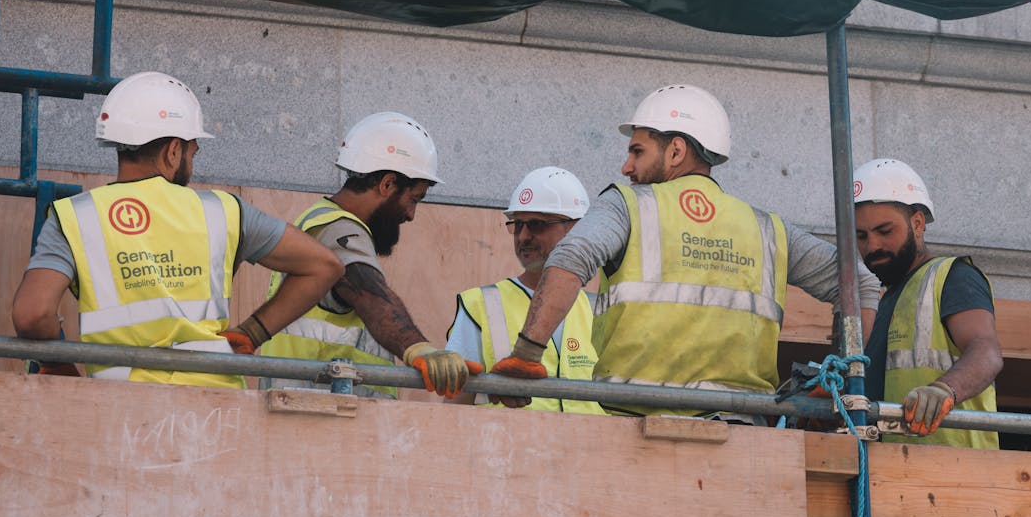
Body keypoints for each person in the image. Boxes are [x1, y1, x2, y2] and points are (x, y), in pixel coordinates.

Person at [489, 84, 880, 420]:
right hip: (744, 436)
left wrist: (527, 353)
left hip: (634, 425)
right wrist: (844, 376)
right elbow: (860, 284)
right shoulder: (768, 229)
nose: (626, 166)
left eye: (637, 151)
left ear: (675, 151)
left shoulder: (628, 205)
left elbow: (570, 259)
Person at [11, 71, 343, 388]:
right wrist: (253, 332)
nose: (191, 162)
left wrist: (58, 363)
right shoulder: (223, 211)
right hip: (213, 408)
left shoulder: (75, 217)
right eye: (192, 151)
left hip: (121, 410)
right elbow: (324, 266)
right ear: (173, 150)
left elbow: (33, 314)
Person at [261, 112, 480, 398]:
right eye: (413, 199)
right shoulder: (335, 229)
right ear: (387, 184)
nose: (411, 215)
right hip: (317, 417)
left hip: (320, 415)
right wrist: (419, 348)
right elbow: (367, 291)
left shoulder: (320, 222)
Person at [853, 158, 1002, 448]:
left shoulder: (953, 276)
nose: (872, 246)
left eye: (885, 231)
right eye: (861, 235)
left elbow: (987, 352)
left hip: (955, 471)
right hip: (898, 469)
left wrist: (944, 390)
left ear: (917, 223)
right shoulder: (888, 300)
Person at [445, 167, 605, 414]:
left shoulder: (597, 310)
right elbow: (454, 408)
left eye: (537, 224)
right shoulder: (480, 305)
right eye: (518, 225)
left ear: (575, 229)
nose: (523, 236)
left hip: (594, 451)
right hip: (509, 450)